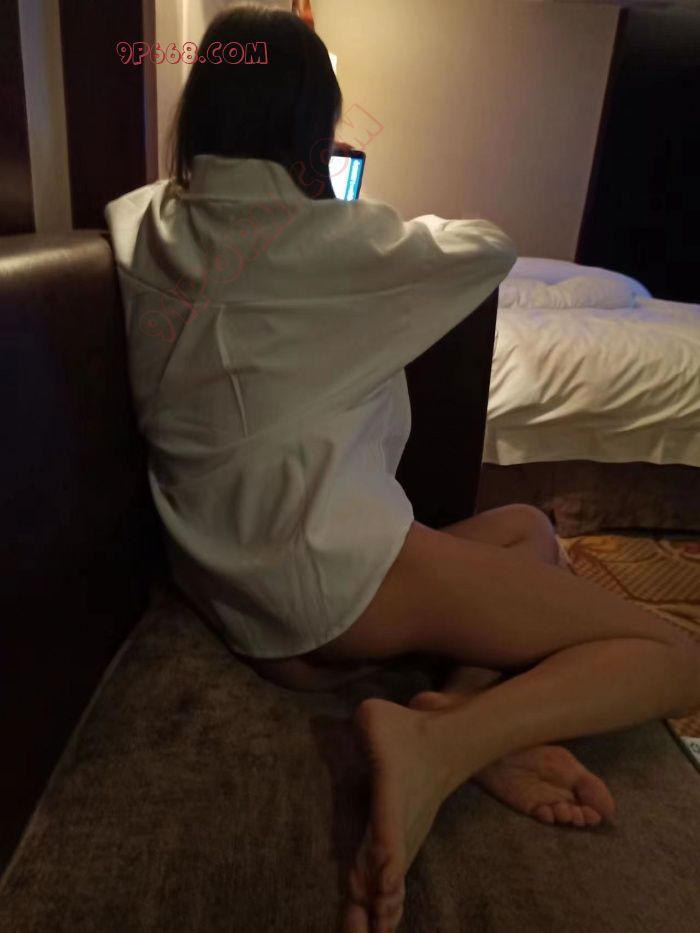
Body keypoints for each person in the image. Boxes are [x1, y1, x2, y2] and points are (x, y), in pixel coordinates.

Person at [105, 7, 700, 933]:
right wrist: (340, 203)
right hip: (328, 586)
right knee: (675, 656)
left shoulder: (140, 220)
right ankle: (446, 742)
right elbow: (489, 246)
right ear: (312, 127)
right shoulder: (330, 239)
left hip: (234, 594)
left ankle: (458, 707)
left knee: (529, 529)